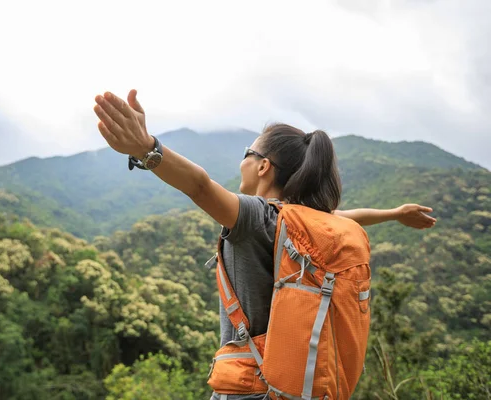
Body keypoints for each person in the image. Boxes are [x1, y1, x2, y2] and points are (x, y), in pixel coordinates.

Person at [93, 90, 436, 399]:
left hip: (248, 389)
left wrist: (146, 149)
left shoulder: (257, 217)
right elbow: (348, 215)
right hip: (294, 386)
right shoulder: (310, 224)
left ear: (263, 166)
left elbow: (199, 186)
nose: (241, 161)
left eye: (248, 152)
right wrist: (394, 213)